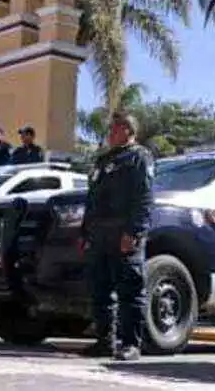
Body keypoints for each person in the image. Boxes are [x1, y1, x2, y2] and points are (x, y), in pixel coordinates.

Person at [80, 112, 154, 361]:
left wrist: (133, 232)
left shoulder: (139, 157)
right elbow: (92, 200)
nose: (109, 133)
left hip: (123, 233)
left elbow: (143, 198)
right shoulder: (104, 160)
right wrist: (85, 232)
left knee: (130, 290)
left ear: (127, 130)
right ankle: (105, 342)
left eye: (114, 129)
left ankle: (131, 344)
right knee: (100, 291)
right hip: (99, 235)